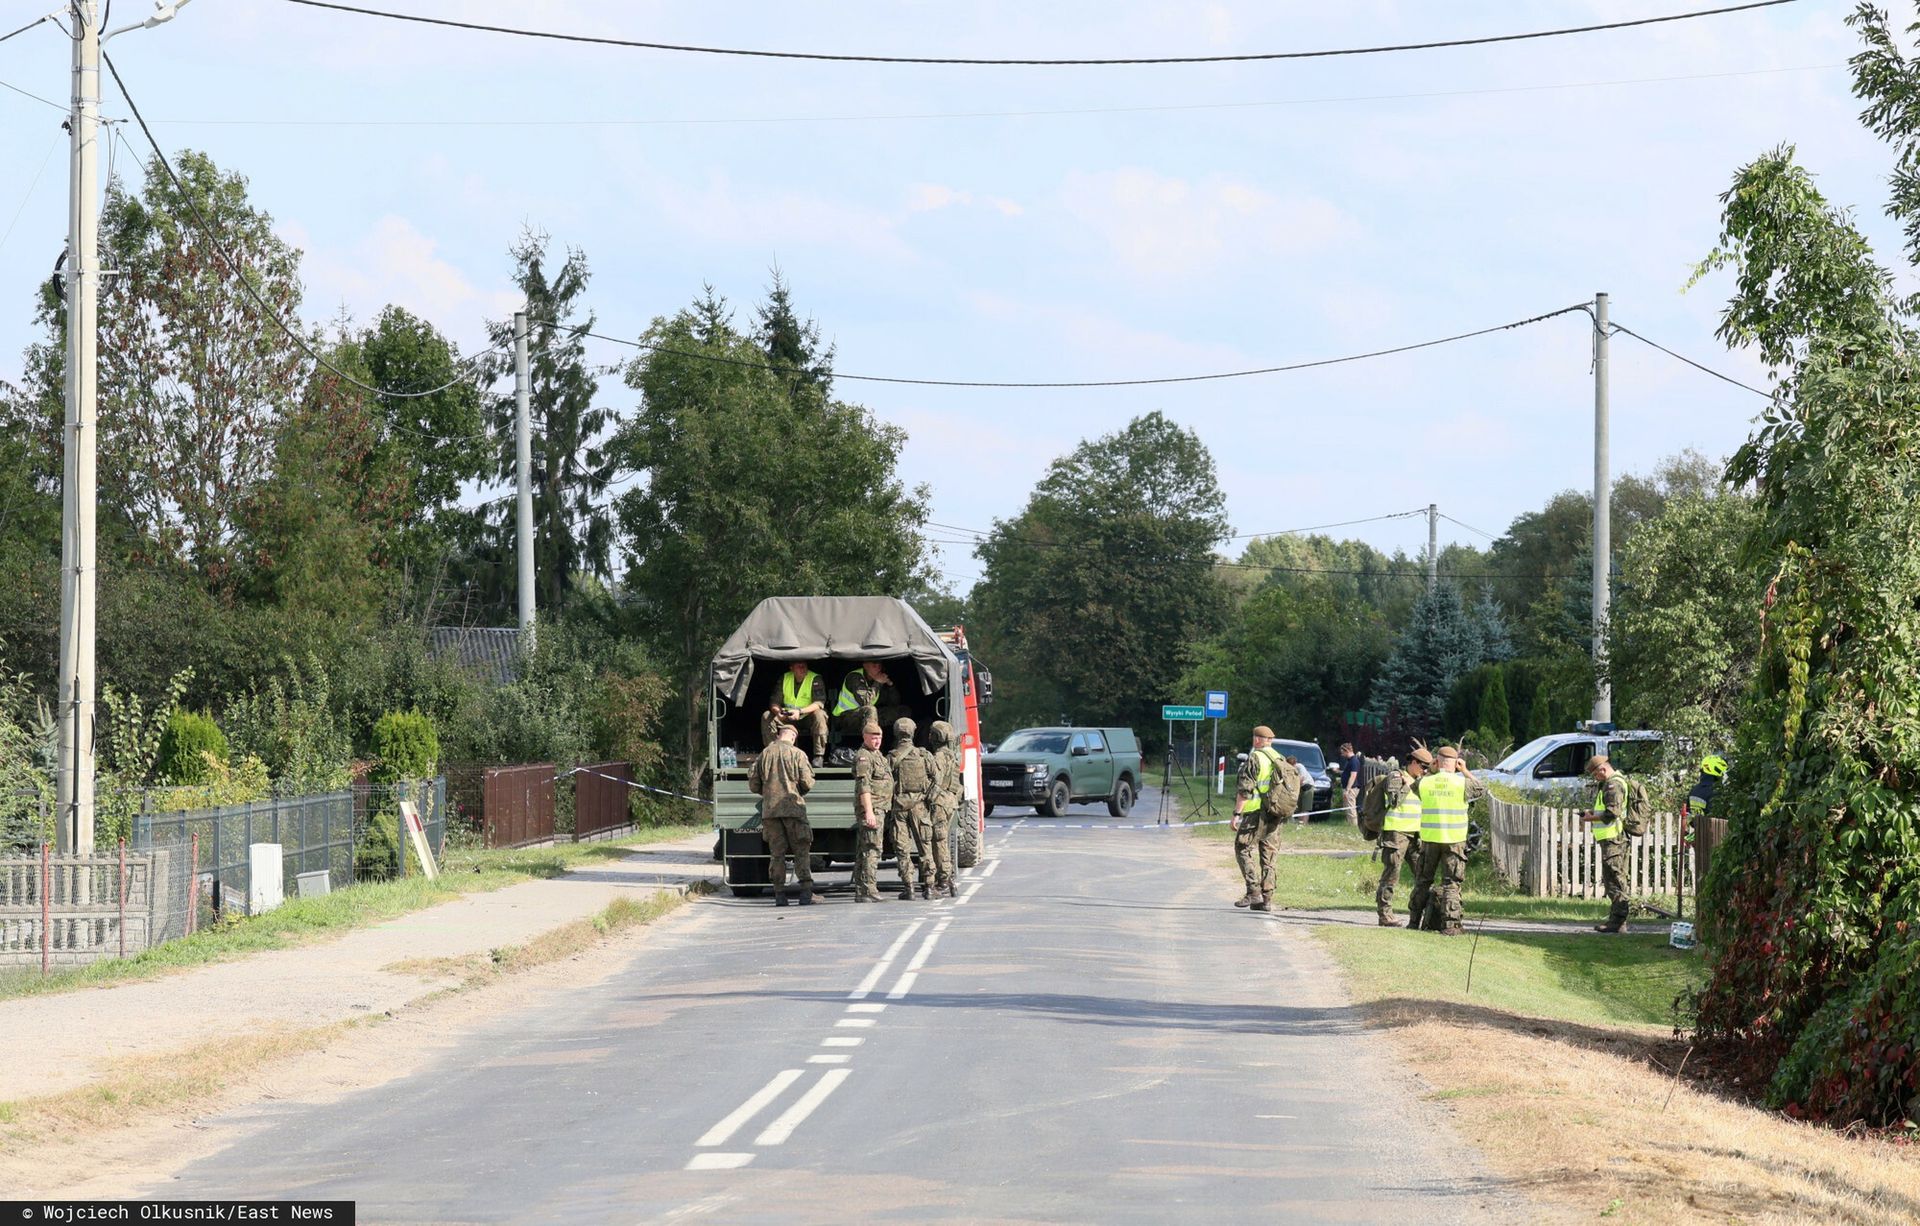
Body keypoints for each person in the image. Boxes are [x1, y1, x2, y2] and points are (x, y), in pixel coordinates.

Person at [1405, 746, 1486, 934]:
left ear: (1437, 761)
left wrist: (1432, 770)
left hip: (1430, 840)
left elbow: (1414, 786)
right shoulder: (1462, 784)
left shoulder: (1426, 783)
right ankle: (1450, 925)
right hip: (1454, 841)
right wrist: (1465, 770)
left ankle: (1413, 921)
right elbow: (1481, 789)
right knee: (1451, 883)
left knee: (1423, 881)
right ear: (1456, 763)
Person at [746, 723, 815, 906]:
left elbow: (753, 785)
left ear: (779, 735)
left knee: (777, 854)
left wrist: (768, 793)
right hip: (794, 810)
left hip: (770, 812)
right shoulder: (798, 754)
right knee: (801, 851)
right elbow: (807, 783)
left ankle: (780, 895)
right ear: (793, 737)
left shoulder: (764, 755)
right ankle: (806, 893)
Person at [1373, 747, 1431, 927]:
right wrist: (1408, 784)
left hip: (1415, 835)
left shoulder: (1422, 780)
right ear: (1413, 762)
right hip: (1396, 833)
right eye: (1423, 766)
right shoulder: (1396, 777)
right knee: (1392, 873)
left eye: (1428, 768)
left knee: (1422, 875)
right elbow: (1394, 800)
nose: (1425, 771)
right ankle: (1385, 914)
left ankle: (1421, 916)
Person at [1231, 725, 1287, 912]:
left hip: (1256, 813)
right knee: (1269, 854)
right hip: (1276, 814)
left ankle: (1253, 891)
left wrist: (1237, 814)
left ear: (1256, 739)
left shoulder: (1255, 758)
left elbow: (1245, 790)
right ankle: (1267, 900)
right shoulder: (1280, 758)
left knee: (1242, 847)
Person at [1579, 754, 1633, 934]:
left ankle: (1619, 922)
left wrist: (1590, 818)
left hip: (1614, 839)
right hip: (1611, 839)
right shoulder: (1612, 783)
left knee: (1616, 879)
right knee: (1612, 880)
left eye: (1596, 774)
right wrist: (1591, 813)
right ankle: (1616, 922)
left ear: (1603, 769)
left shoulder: (1613, 784)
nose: (1596, 778)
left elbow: (1612, 813)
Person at [887, 717, 937, 900]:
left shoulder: (892, 757)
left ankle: (909, 888)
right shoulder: (924, 755)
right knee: (925, 847)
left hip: (899, 807)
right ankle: (929, 887)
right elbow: (935, 779)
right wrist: (926, 797)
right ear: (913, 732)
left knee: (902, 849)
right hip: (919, 807)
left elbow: (885, 782)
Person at [849, 722, 891, 902]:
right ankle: (869, 889)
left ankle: (862, 890)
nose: (877, 741)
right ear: (864, 737)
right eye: (873, 737)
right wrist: (869, 812)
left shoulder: (877, 755)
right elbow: (863, 787)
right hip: (873, 809)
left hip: (880, 808)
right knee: (872, 849)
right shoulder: (864, 758)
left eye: (879, 737)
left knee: (864, 849)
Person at [761, 660, 828, 765]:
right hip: (787, 718)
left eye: (804, 666)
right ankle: (773, 753)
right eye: (799, 666)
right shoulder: (785, 678)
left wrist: (800, 712)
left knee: (820, 714)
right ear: (791, 668)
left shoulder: (815, 678)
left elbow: (819, 703)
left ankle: (818, 756)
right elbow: (774, 702)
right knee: (767, 715)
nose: (802, 668)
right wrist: (778, 712)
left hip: (807, 717)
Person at [833, 660, 909, 750]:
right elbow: (865, 702)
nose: (878, 668)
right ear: (865, 665)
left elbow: (894, 702)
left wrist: (890, 686)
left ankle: (898, 748)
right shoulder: (855, 676)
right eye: (874, 665)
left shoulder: (878, 680)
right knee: (870, 709)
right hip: (846, 717)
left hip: (869, 716)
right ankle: (870, 749)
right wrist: (878, 683)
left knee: (904, 710)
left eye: (880, 666)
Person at [926, 719, 963, 898]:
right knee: (943, 841)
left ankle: (944, 880)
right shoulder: (952, 756)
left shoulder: (939, 757)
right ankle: (948, 878)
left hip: (940, 802)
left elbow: (936, 781)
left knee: (939, 842)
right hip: (949, 801)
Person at [1338, 742, 1364, 825]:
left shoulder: (1354, 761)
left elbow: (1353, 776)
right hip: (1348, 788)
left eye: (1342, 752)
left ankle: (1353, 826)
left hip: (1351, 789)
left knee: (1350, 809)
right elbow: (1348, 773)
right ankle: (1349, 824)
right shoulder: (1350, 761)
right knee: (1347, 808)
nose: (1342, 754)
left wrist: (1347, 790)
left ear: (1347, 751)